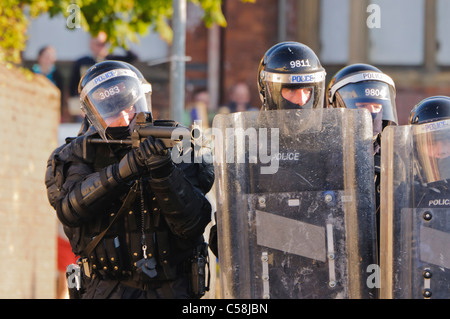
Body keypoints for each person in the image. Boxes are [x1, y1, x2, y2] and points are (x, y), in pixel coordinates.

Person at [45, 60, 215, 299]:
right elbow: (70, 210)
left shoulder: (174, 142)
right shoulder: (77, 154)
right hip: (106, 289)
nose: (126, 117)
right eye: (114, 110)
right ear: (93, 114)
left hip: (173, 287)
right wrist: (124, 170)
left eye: (131, 106)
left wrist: (164, 172)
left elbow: (194, 223)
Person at [326, 63, 398, 254]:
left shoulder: (396, 158)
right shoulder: (325, 156)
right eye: (362, 107)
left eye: (377, 107)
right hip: (340, 250)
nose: (372, 114)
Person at [68, 32, 138, 120]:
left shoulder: (113, 60)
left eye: (104, 44)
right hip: (88, 107)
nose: (102, 47)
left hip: (111, 107)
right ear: (91, 44)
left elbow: (133, 57)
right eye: (98, 44)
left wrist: (119, 42)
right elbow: (73, 86)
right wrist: (78, 108)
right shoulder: (82, 62)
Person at [257, 41, 326, 110]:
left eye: (307, 90)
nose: (302, 101)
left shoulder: (328, 121)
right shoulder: (248, 121)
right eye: (292, 90)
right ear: (269, 91)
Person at [409, 95, 450, 207]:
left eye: (448, 140)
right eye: (432, 142)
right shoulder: (407, 191)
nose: (442, 150)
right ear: (416, 147)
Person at [31, 45, 69, 122]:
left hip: (52, 109)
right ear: (39, 57)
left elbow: (61, 94)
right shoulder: (32, 73)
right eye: (46, 56)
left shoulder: (57, 74)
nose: (48, 59)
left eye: (51, 56)